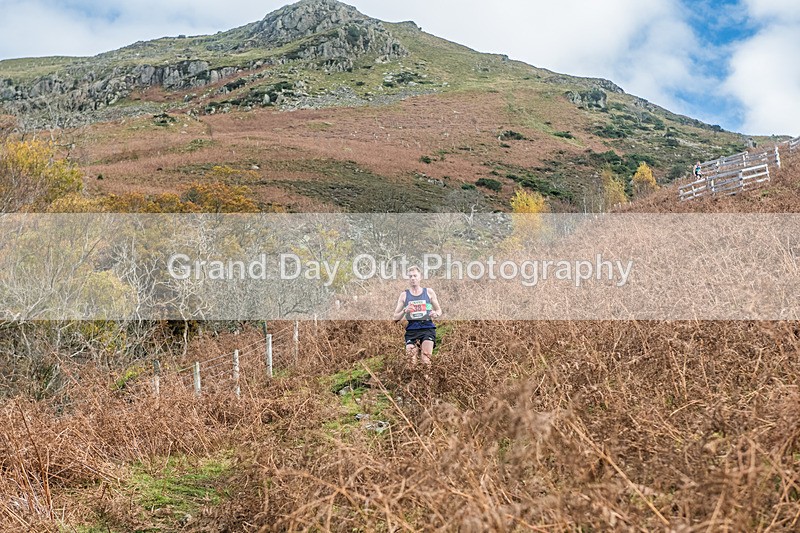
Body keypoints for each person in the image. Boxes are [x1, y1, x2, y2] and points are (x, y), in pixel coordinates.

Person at [392, 265, 442, 366]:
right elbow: (395, 318)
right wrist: (405, 310)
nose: (412, 278)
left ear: (420, 277)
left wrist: (435, 314)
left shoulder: (428, 292)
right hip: (412, 330)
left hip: (427, 328)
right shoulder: (404, 295)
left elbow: (439, 310)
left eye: (415, 276)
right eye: (410, 276)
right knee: (411, 363)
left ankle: (427, 381)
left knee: (426, 361)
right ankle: (414, 381)